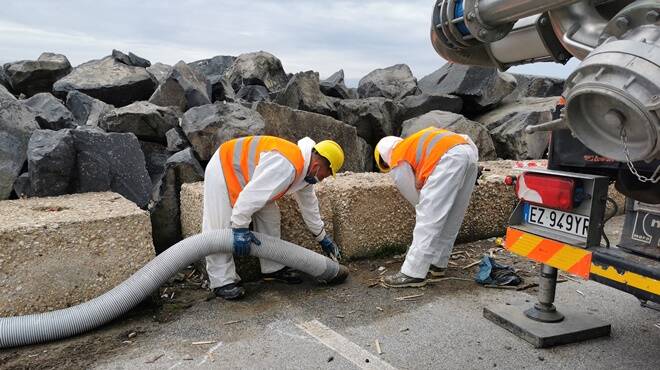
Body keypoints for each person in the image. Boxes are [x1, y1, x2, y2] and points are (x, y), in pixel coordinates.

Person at [203, 135, 344, 300]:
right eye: (325, 175)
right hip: (225, 166)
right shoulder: (286, 164)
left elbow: (309, 207)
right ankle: (222, 282)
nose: (322, 180)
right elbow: (252, 196)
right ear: (317, 166)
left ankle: (272, 268)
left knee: (270, 216)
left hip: (248, 177)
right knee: (219, 227)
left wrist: (322, 237)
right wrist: (240, 227)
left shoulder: (305, 172)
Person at [374, 127, 479, 287]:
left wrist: (428, 201)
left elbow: (419, 202)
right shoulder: (413, 144)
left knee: (429, 216)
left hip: (450, 158)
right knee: (453, 214)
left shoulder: (397, 157)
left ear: (383, 155)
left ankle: (412, 272)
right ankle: (438, 263)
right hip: (468, 152)